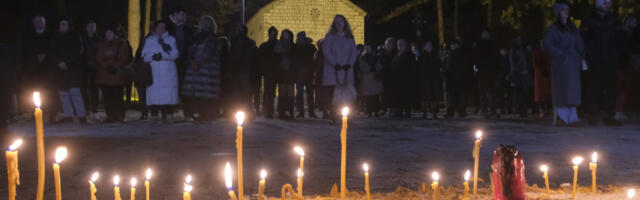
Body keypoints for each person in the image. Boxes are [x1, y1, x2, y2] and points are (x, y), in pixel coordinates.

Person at [580, 0, 622, 126]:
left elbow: (618, 38)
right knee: (594, 87)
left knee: (610, 87)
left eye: (608, 3)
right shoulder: (589, 20)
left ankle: (609, 115)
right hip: (595, 59)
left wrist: (616, 52)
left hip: (610, 59)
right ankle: (592, 114)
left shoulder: (614, 19)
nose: (608, 6)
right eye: (605, 3)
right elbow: (584, 39)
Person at [544, 3, 585, 126]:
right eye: (563, 10)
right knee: (561, 89)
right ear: (558, 12)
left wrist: (580, 54)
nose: (566, 12)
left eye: (567, 9)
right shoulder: (554, 28)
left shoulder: (573, 28)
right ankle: (562, 117)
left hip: (572, 62)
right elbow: (548, 44)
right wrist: (560, 53)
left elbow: (579, 42)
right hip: (561, 63)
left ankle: (572, 118)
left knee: (573, 90)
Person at [181, 15, 222, 122]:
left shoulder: (209, 39)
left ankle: (206, 115)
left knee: (205, 96)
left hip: (205, 72)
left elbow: (204, 53)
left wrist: (195, 60)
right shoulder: (201, 38)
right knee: (202, 95)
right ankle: (203, 114)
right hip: (201, 72)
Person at [321, 15, 358, 123]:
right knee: (333, 95)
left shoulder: (350, 38)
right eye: (336, 22)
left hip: (346, 70)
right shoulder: (329, 37)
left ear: (344, 23)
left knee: (347, 95)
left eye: (341, 22)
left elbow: (353, 53)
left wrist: (349, 64)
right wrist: (335, 63)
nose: (339, 24)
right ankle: (334, 116)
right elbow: (327, 52)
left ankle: (347, 116)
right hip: (333, 70)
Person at [49, 18, 86, 123]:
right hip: (60, 69)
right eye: (61, 24)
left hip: (72, 68)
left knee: (75, 92)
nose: (63, 26)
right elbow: (52, 51)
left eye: (65, 24)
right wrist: (58, 63)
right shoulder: (55, 37)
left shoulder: (75, 36)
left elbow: (78, 51)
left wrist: (68, 62)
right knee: (63, 93)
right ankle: (68, 115)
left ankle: (81, 115)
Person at [142, 20, 179, 120]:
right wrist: (154, 57)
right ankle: (154, 115)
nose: (161, 29)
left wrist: (161, 56)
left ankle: (169, 114)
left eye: (163, 27)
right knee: (154, 94)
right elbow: (144, 56)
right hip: (154, 72)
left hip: (168, 72)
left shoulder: (171, 39)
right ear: (155, 28)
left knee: (168, 93)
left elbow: (175, 54)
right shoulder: (149, 40)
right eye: (159, 27)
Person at [22, 15, 57, 122]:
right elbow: (27, 49)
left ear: (44, 23)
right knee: (35, 91)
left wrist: (45, 55)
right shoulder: (30, 35)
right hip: (34, 68)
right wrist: (35, 57)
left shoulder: (51, 34)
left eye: (40, 21)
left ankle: (52, 114)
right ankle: (36, 112)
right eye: (36, 22)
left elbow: (53, 47)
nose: (38, 24)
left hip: (48, 68)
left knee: (50, 91)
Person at [95, 25, 131, 123]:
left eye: (110, 33)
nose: (108, 35)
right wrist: (106, 66)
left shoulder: (121, 43)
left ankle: (119, 115)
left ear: (115, 34)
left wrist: (114, 66)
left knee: (117, 96)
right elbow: (99, 57)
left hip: (116, 74)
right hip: (104, 74)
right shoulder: (102, 44)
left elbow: (124, 57)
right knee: (107, 97)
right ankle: (110, 116)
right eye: (107, 33)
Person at [225, 23, 257, 119]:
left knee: (242, 94)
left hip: (242, 72)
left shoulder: (240, 43)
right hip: (240, 72)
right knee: (241, 94)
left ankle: (243, 113)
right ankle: (241, 113)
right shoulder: (238, 42)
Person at [614, 16, 637, 120]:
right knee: (621, 87)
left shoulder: (632, 34)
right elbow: (621, 48)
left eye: (635, 22)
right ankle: (617, 110)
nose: (634, 24)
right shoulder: (621, 33)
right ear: (626, 21)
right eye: (632, 21)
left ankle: (621, 110)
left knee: (626, 87)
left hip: (628, 64)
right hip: (621, 64)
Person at [473, 29, 499, 118]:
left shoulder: (492, 44)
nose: (485, 35)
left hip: (491, 71)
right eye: (484, 34)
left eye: (487, 34)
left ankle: (492, 110)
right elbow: (476, 57)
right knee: (483, 92)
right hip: (483, 71)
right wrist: (477, 68)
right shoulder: (479, 44)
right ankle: (485, 111)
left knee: (492, 92)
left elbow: (496, 57)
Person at [168, 7, 192, 99]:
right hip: (170, 62)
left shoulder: (186, 29)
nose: (185, 17)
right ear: (175, 14)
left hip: (183, 62)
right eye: (182, 14)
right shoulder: (166, 27)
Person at [444, 39, 472, 118]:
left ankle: (456, 111)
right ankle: (457, 111)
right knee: (456, 96)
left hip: (456, 78)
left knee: (455, 96)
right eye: (452, 44)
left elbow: (450, 66)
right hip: (455, 78)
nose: (452, 46)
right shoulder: (453, 53)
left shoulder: (455, 54)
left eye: (454, 44)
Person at [292, 31, 318, 118]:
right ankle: (301, 112)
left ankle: (311, 111)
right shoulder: (296, 47)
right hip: (300, 75)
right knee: (300, 94)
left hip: (308, 74)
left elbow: (314, 60)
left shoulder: (310, 47)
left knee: (310, 94)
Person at [388, 39, 416, 118]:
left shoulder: (409, 55)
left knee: (406, 96)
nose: (399, 46)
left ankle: (407, 111)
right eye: (398, 44)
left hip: (406, 80)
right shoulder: (396, 55)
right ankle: (398, 111)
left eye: (401, 44)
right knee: (398, 96)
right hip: (397, 80)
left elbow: (412, 68)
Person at [509, 37, 534, 118]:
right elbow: (513, 63)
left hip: (524, 74)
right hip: (517, 74)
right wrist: (520, 70)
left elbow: (529, 61)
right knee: (517, 93)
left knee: (524, 93)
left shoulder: (525, 50)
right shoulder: (513, 50)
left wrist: (527, 69)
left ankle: (523, 110)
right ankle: (517, 110)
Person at [81, 20, 101, 119]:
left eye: (93, 27)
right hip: (84, 67)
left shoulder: (98, 39)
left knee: (94, 89)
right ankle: (87, 109)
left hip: (95, 67)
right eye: (89, 26)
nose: (91, 29)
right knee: (83, 89)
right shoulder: (82, 39)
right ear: (86, 28)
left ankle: (95, 110)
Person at [274, 29, 296, 119]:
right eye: (283, 34)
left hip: (290, 72)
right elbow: (275, 57)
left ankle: (291, 111)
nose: (285, 36)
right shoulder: (278, 45)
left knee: (290, 93)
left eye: (286, 34)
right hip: (282, 72)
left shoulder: (292, 46)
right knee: (282, 93)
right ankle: (282, 112)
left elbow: (295, 58)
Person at [417, 41, 442, 118]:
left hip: (434, 79)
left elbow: (439, 66)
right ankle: (424, 112)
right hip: (424, 79)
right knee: (424, 97)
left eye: (429, 45)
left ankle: (434, 111)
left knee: (434, 96)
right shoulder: (422, 56)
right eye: (426, 46)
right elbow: (419, 68)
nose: (428, 47)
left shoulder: (435, 56)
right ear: (424, 47)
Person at [258, 27, 279, 118]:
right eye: (273, 34)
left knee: (270, 91)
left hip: (276, 71)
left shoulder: (278, 44)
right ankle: (269, 110)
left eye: (276, 34)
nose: (275, 35)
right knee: (269, 91)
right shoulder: (265, 46)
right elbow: (261, 59)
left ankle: (270, 110)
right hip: (269, 72)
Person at [357, 44, 383, 117]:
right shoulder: (362, 57)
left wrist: (375, 68)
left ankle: (376, 111)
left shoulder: (376, 57)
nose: (367, 49)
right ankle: (369, 111)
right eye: (366, 48)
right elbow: (362, 67)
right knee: (368, 98)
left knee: (375, 97)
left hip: (374, 79)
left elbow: (380, 65)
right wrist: (370, 69)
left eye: (369, 48)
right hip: (367, 79)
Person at [533, 40, 553, 118]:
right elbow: (536, 64)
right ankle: (542, 110)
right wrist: (542, 71)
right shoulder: (537, 52)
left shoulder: (549, 52)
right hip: (540, 76)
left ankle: (548, 110)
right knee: (540, 95)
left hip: (548, 76)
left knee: (548, 94)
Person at [378, 37, 396, 115]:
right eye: (388, 44)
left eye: (391, 44)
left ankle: (391, 108)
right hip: (384, 76)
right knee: (384, 93)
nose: (389, 45)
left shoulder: (395, 54)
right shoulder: (381, 54)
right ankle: (384, 108)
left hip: (393, 76)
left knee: (392, 93)